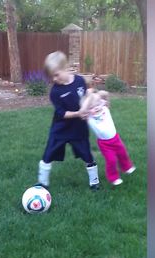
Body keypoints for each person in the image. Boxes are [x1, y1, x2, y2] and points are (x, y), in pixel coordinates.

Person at [35, 51, 100, 191]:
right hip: (60, 128)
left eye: (56, 74)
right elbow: (61, 113)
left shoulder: (80, 81)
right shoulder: (55, 92)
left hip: (78, 128)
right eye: (51, 76)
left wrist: (88, 107)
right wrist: (78, 113)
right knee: (48, 153)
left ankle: (94, 181)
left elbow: (86, 97)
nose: (54, 79)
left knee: (86, 153)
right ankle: (42, 183)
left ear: (66, 67)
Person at [79, 89, 135, 185]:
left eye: (97, 105)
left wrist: (95, 94)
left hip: (115, 139)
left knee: (122, 153)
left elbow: (105, 95)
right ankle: (113, 178)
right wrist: (88, 98)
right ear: (88, 109)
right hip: (105, 144)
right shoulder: (89, 118)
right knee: (111, 160)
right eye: (92, 107)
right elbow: (83, 110)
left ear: (101, 103)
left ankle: (126, 167)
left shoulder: (105, 109)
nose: (96, 108)